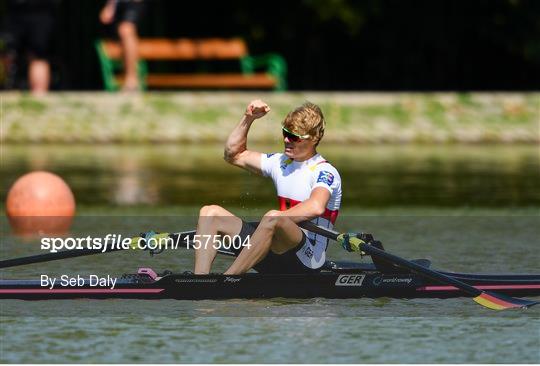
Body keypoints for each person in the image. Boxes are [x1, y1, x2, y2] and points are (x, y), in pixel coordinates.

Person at [194, 100, 342, 275]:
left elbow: (316, 207)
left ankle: (228, 279)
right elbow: (233, 155)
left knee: (272, 217)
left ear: (314, 138)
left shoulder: (324, 171)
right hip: (273, 247)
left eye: (294, 137)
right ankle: (201, 281)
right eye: (285, 133)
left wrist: (270, 221)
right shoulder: (280, 162)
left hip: (308, 259)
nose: (287, 140)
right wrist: (248, 118)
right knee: (210, 213)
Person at [6, 0, 58, 95]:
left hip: (41, 10)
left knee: (39, 56)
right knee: (8, 53)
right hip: (15, 10)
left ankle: (39, 97)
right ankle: (7, 93)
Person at [99, 0, 144, 91]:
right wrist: (110, 6)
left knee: (126, 30)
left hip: (133, 3)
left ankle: (132, 80)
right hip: (119, 4)